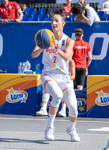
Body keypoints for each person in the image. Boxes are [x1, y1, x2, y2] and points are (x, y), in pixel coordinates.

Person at [31, 9, 80, 142]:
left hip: (64, 76)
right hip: (49, 74)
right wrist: (42, 47)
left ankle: (72, 128)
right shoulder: (45, 37)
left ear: (63, 23)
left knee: (74, 109)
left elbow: (67, 57)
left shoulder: (69, 40)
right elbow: (33, 55)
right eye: (52, 21)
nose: (53, 23)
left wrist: (57, 49)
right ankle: (49, 128)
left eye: (56, 20)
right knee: (57, 96)